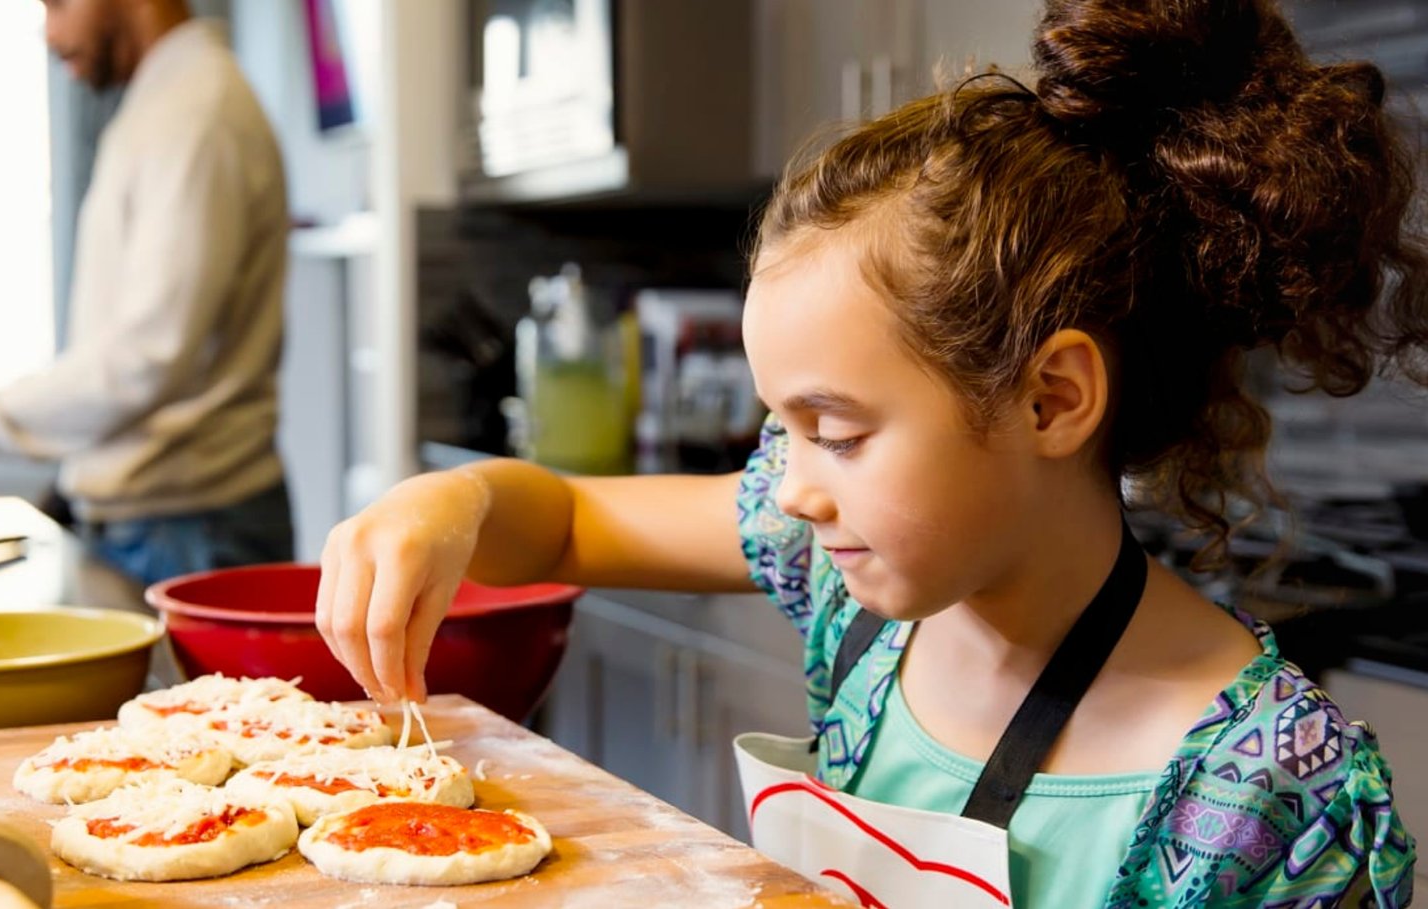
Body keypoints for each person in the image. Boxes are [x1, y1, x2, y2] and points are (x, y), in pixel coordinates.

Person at [312, 0, 1421, 904]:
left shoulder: (1270, 801)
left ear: (1051, 400)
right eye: (781, 428)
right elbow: (554, 520)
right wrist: (448, 500)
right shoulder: (856, 607)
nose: (791, 490)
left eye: (836, 433)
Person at [0, 0, 293, 587]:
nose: (51, 31)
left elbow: (141, 363)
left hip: (190, 533)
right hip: (168, 526)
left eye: (59, 4)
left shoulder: (196, 110)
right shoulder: (166, 103)